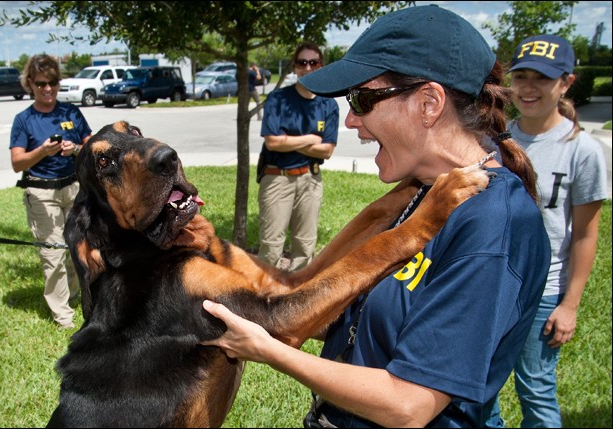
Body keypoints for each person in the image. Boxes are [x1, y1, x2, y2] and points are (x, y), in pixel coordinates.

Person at [200, 6, 552, 427]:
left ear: (429, 103)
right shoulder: (422, 195)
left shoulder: (494, 221)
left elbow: (410, 406)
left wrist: (269, 350)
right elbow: (356, 318)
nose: (350, 121)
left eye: (362, 100)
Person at [485, 35, 608, 428]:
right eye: (521, 76)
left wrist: (569, 305)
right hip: (492, 283)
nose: (528, 87)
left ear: (566, 83)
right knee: (481, 385)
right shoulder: (494, 141)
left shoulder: (581, 150)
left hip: (544, 288)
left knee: (536, 388)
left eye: (543, 77)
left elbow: (586, 234)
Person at [10, 54, 93, 330]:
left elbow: (93, 148)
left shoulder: (71, 113)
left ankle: (70, 295)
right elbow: (17, 163)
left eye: (53, 82)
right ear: (30, 84)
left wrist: (76, 149)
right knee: (53, 253)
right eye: (42, 83)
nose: (48, 89)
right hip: (41, 193)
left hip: (73, 188)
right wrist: (42, 151)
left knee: (76, 249)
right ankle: (64, 317)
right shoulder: (24, 120)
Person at [256, 42, 339, 271]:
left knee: (305, 247)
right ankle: (263, 300)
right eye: (302, 62)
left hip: (310, 181)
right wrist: (312, 139)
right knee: (271, 247)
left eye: (314, 62)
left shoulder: (328, 104)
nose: (308, 67)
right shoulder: (278, 99)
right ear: (295, 67)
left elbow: (328, 150)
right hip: (277, 179)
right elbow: (272, 141)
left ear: (321, 66)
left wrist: (287, 141)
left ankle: (297, 300)